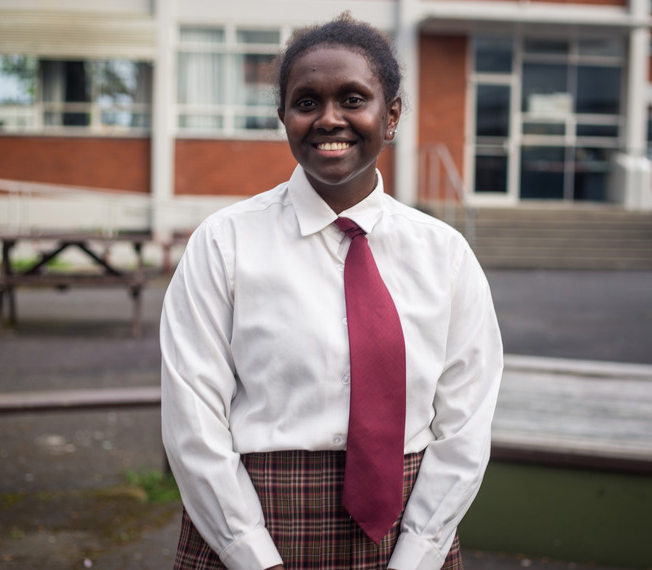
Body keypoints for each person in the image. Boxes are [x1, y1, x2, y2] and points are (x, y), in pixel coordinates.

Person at [160, 13, 502, 570]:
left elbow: (466, 421)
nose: (328, 119)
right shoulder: (223, 245)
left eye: (352, 98)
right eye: (306, 102)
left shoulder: (445, 256)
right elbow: (192, 418)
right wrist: (251, 555)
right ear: (284, 118)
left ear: (390, 116)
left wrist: (417, 553)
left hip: (410, 530)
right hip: (249, 525)